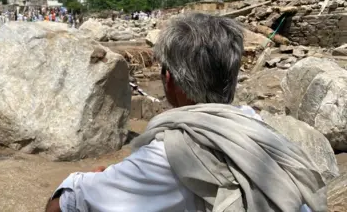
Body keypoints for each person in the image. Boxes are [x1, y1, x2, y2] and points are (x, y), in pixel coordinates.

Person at [45, 13, 327, 212]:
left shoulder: (173, 152)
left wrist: (95, 177)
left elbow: (65, 203)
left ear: (170, 80)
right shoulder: (263, 132)